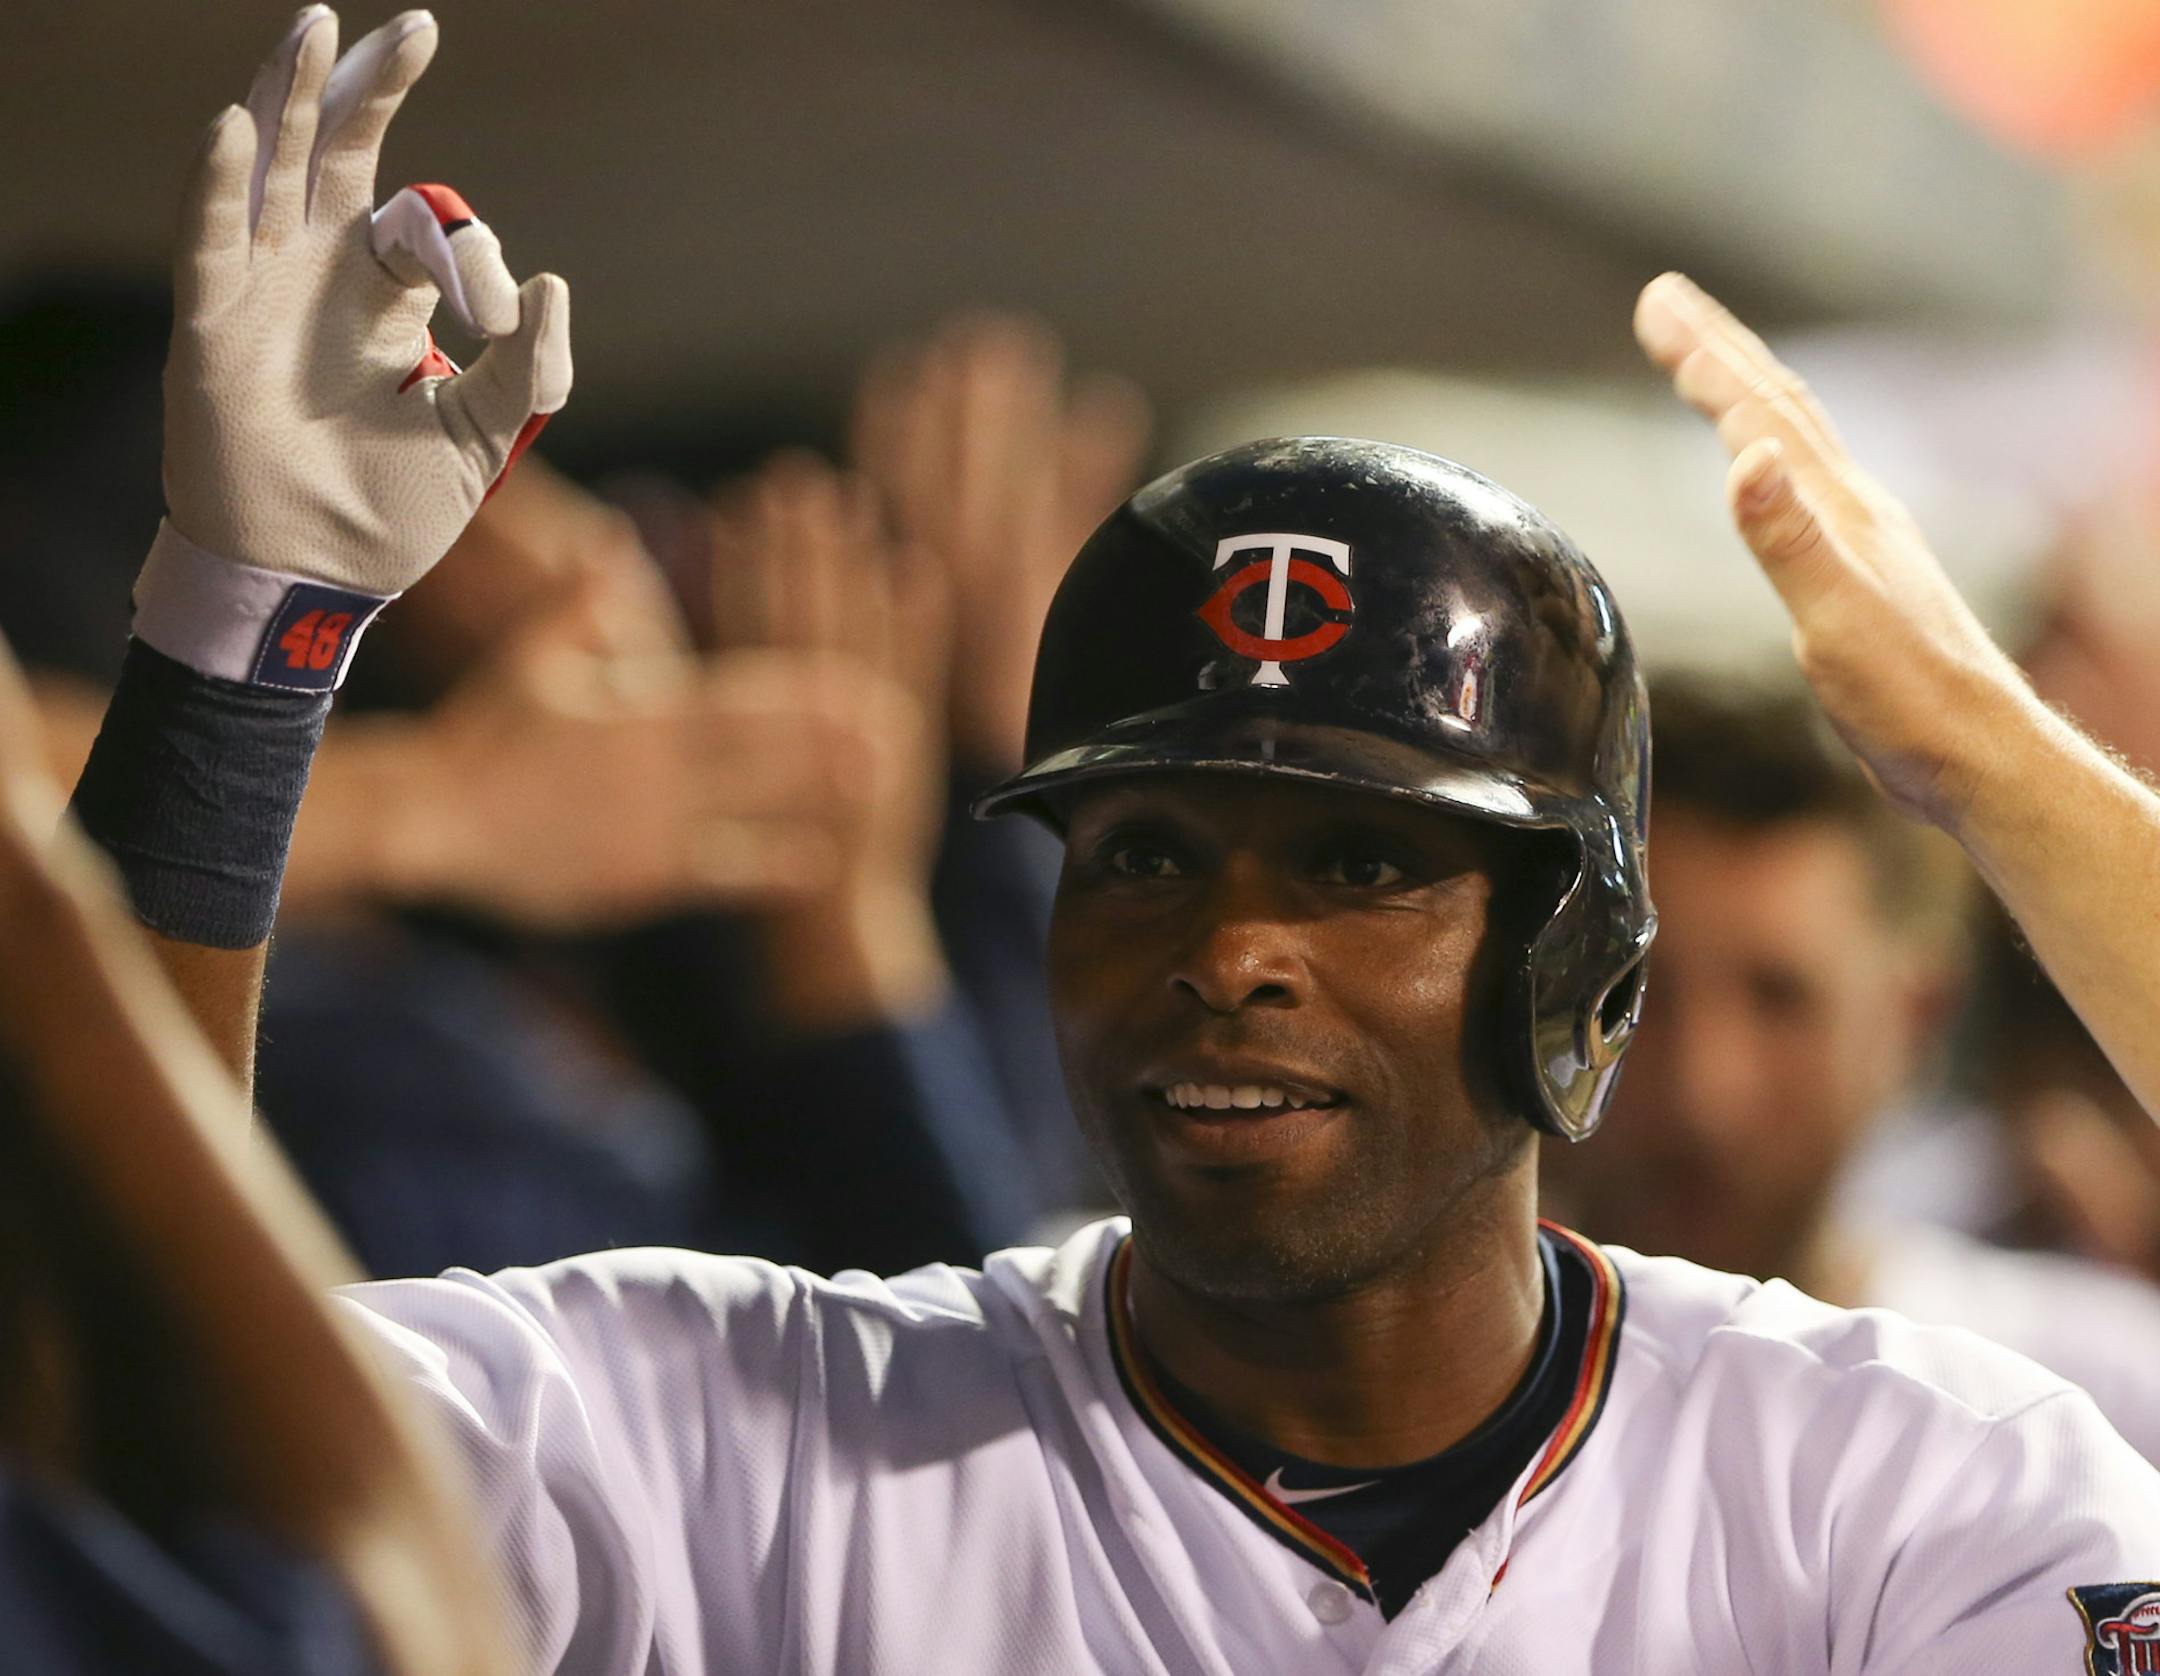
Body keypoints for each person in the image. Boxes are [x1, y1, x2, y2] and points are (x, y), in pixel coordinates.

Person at [41, 8, 2160, 1671]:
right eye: (1146, 850)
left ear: (1577, 972)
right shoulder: (767, 1428)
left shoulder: (1892, 1485)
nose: (1231, 943)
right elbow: (145, 1420)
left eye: (1358, 864)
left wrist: (2002, 763)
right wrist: (243, 641)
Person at [1544, 677, 2160, 1461]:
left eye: (1782, 1001)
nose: (1706, 1090)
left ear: (1914, 1019)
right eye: (1637, 994)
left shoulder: (2097, 1408)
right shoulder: (1403, 1406)